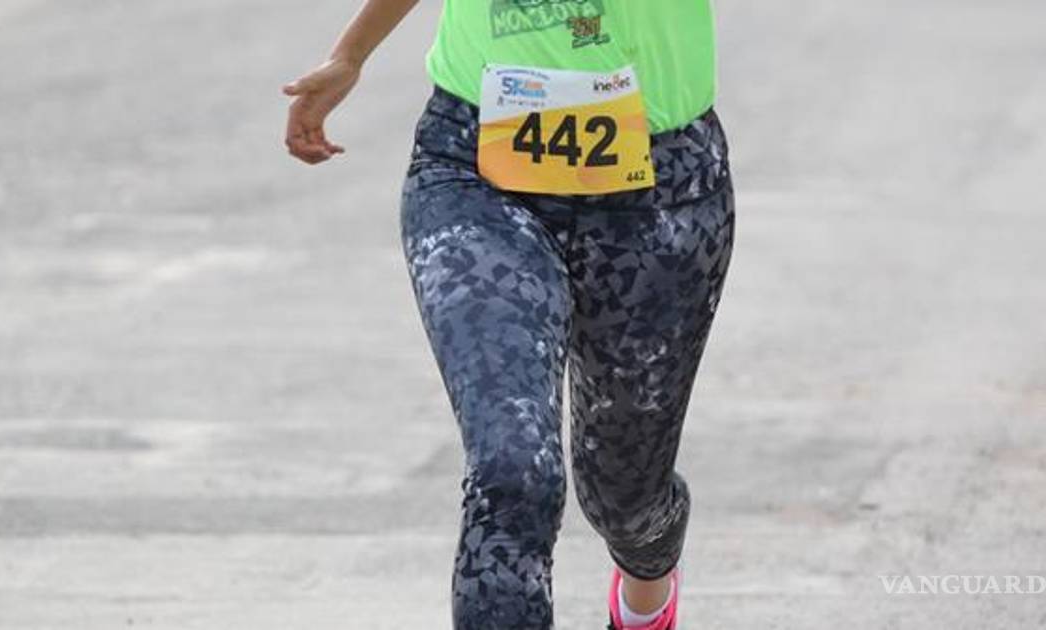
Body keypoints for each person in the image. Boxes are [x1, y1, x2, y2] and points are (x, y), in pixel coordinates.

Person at [283, 2, 733, 628]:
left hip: (661, 190)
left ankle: (645, 594)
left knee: (626, 498)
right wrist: (351, 54)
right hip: (478, 172)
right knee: (513, 468)